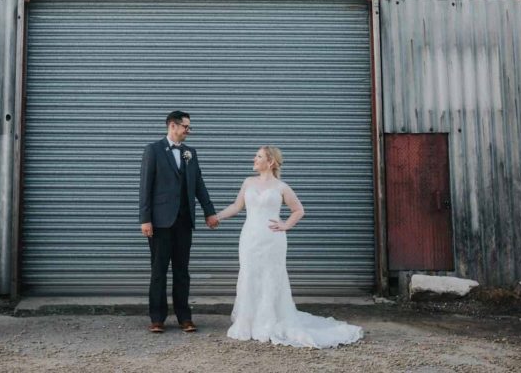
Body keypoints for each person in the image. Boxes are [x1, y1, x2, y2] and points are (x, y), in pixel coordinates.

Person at [215, 145, 364, 348]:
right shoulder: (248, 182)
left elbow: (298, 210)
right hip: (250, 238)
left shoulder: (281, 187)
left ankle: (267, 323)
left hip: (272, 240)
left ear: (270, 162)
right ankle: (247, 322)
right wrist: (217, 217)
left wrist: (285, 225)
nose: (254, 159)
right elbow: (236, 206)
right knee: (249, 274)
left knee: (270, 276)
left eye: (258, 156)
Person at [139, 110, 219, 333]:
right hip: (160, 222)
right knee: (159, 270)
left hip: (184, 222)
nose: (188, 131)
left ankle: (185, 317)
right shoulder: (153, 150)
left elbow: (199, 184)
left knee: (182, 271)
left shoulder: (190, 153)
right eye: (186, 127)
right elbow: (145, 187)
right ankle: (157, 318)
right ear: (173, 126)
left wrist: (209, 212)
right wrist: (145, 219)